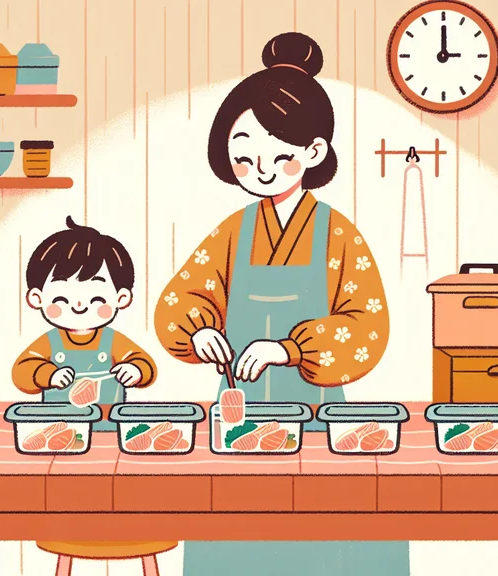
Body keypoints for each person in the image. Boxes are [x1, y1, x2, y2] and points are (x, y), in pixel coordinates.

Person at [153, 32, 407, 576]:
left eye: (276, 155)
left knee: (326, 539)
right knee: (234, 537)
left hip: (317, 417)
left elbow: (367, 326)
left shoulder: (338, 234)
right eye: (243, 157)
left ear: (313, 152)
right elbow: (182, 298)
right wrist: (197, 330)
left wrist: (289, 349)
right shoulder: (233, 231)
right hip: (236, 415)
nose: (260, 170)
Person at [12, 216, 157, 431]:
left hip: (108, 426)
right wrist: (48, 375)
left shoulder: (112, 340)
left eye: (95, 299)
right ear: (37, 298)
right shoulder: (50, 342)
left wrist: (135, 370)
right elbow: (21, 372)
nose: (79, 305)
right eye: (62, 299)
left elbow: (145, 364)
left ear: (121, 298)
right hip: (59, 428)